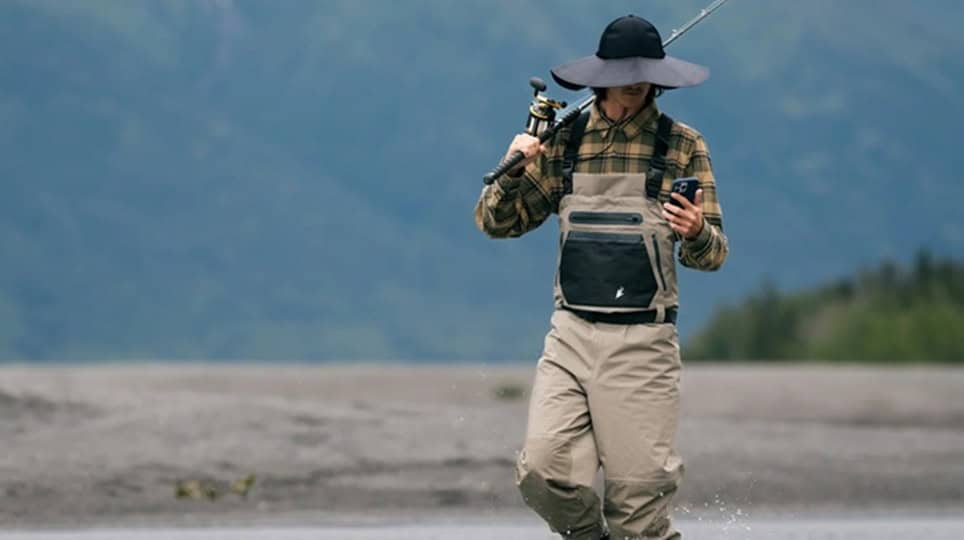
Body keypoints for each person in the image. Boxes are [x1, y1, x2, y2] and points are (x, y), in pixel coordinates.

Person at [473, 14, 729, 540]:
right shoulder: (563, 141)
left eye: (643, 72)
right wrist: (514, 167)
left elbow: (712, 256)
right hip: (570, 336)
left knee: (638, 512)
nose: (635, 82)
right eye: (624, 72)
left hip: (644, 343)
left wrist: (697, 230)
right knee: (543, 473)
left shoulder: (682, 146)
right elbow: (497, 225)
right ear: (600, 75)